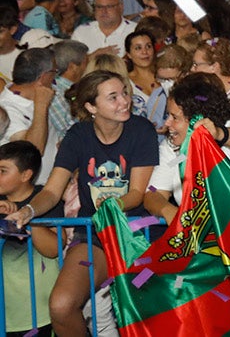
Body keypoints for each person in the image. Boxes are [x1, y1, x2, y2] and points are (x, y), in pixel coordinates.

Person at [3, 69, 157, 337]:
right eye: (113, 97)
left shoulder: (141, 129)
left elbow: (137, 194)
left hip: (136, 233)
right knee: (62, 306)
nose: (124, 101)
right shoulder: (78, 135)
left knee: (149, 316)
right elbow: (52, 191)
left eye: (124, 93)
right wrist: (28, 211)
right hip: (94, 235)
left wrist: (113, 207)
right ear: (90, 106)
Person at [143, 72, 230, 222]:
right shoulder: (172, 148)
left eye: (175, 118)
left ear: (197, 117)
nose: (167, 124)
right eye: (168, 116)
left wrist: (219, 134)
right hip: (203, 233)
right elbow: (153, 193)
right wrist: (169, 211)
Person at [0, 141, 61, 337]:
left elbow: (53, 249)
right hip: (5, 313)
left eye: (2, 171)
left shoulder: (46, 199)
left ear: (26, 175)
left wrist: (24, 216)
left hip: (37, 312)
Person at [0, 48, 59, 184]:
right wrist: (41, 106)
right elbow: (34, 150)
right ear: (43, 77)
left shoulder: (35, 97)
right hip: (32, 193)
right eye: (54, 73)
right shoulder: (7, 108)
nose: (55, 79)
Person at [69, 0, 135, 58]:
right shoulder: (82, 32)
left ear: (121, 8)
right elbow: (72, 63)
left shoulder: (134, 30)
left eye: (109, 6)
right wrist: (93, 56)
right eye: (99, 7)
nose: (104, 11)